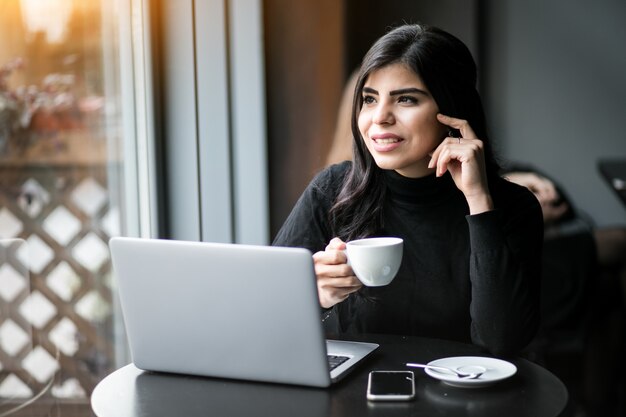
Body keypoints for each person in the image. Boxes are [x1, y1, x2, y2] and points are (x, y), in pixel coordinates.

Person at [273, 24, 543, 357]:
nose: (379, 118)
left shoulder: (513, 207)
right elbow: (268, 315)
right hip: (361, 394)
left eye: (405, 99)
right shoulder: (332, 192)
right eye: (369, 99)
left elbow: (502, 341)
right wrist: (317, 297)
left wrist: (478, 201)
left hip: (466, 398)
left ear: (452, 110)